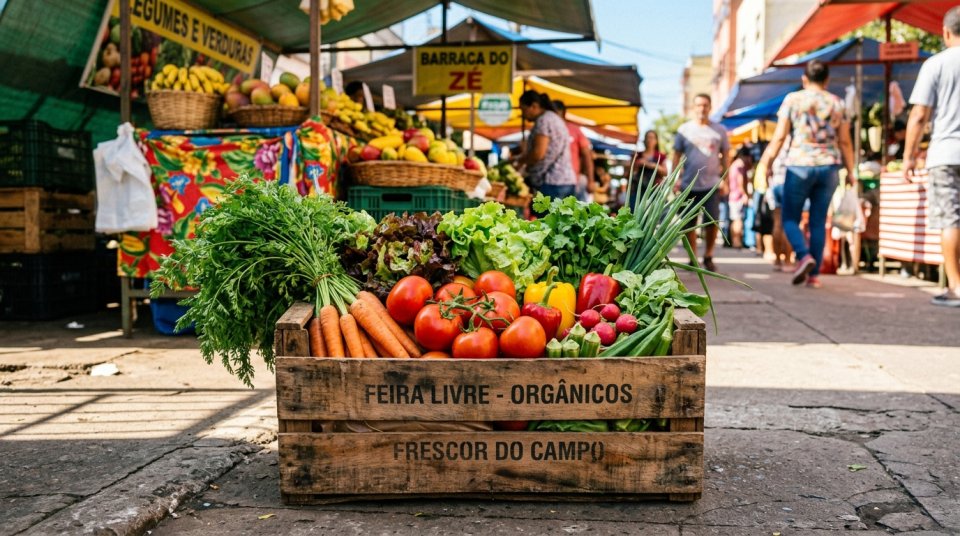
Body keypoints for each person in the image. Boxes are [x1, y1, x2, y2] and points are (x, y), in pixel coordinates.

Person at [759, 60, 856, 288]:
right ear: (827, 80)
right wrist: (851, 172)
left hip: (799, 165)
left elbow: (780, 136)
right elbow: (845, 141)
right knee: (818, 221)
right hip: (830, 166)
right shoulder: (837, 103)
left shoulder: (794, 100)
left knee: (790, 218)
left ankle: (804, 255)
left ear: (804, 79)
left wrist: (766, 162)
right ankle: (814, 277)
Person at [903, 6, 960, 307]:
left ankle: (956, 287)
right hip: (945, 153)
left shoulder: (936, 64)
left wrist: (909, 156)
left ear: (946, 32)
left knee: (950, 219)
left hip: (946, 152)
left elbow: (919, 114)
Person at [672, 93, 731, 273]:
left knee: (712, 222)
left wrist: (725, 180)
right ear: (693, 107)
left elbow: (726, 156)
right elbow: (675, 155)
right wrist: (674, 178)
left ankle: (708, 256)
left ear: (710, 107)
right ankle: (693, 258)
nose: (701, 109)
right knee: (688, 223)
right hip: (688, 184)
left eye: (705, 105)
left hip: (712, 184)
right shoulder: (684, 130)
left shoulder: (719, 130)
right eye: (698, 105)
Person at [515, 90, 577, 203]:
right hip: (565, 181)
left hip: (552, 183)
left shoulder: (543, 121)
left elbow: (538, 153)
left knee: (549, 220)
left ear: (534, 106)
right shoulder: (554, 118)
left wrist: (520, 160)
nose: (523, 115)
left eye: (524, 110)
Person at [553, 100, 594, 201]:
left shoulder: (574, 129)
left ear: (563, 113)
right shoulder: (547, 130)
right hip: (551, 182)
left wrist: (590, 180)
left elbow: (587, 155)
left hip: (572, 182)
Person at [727, 146, 753, 249]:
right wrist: (745, 194)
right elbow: (740, 181)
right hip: (738, 196)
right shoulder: (740, 165)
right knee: (738, 219)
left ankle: (735, 241)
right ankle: (737, 242)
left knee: (734, 219)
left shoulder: (733, 164)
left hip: (732, 195)